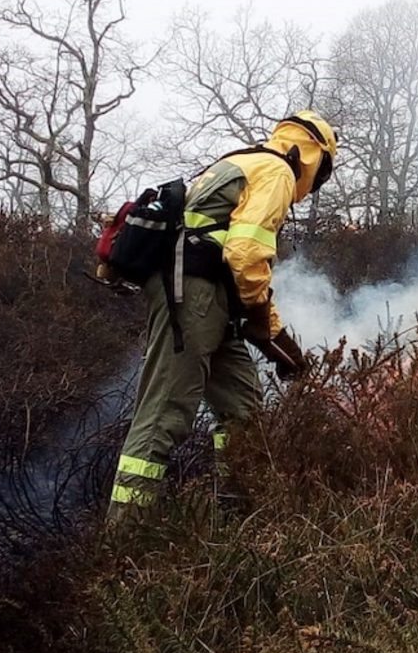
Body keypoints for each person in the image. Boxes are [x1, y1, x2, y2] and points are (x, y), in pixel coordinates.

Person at [107, 111, 338, 522]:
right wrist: (263, 322)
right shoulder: (278, 171)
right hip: (192, 296)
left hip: (212, 301)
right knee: (164, 414)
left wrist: (271, 334)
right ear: (313, 158)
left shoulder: (243, 160)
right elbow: (246, 255)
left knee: (243, 411)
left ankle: (240, 520)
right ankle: (122, 541)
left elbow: (232, 255)